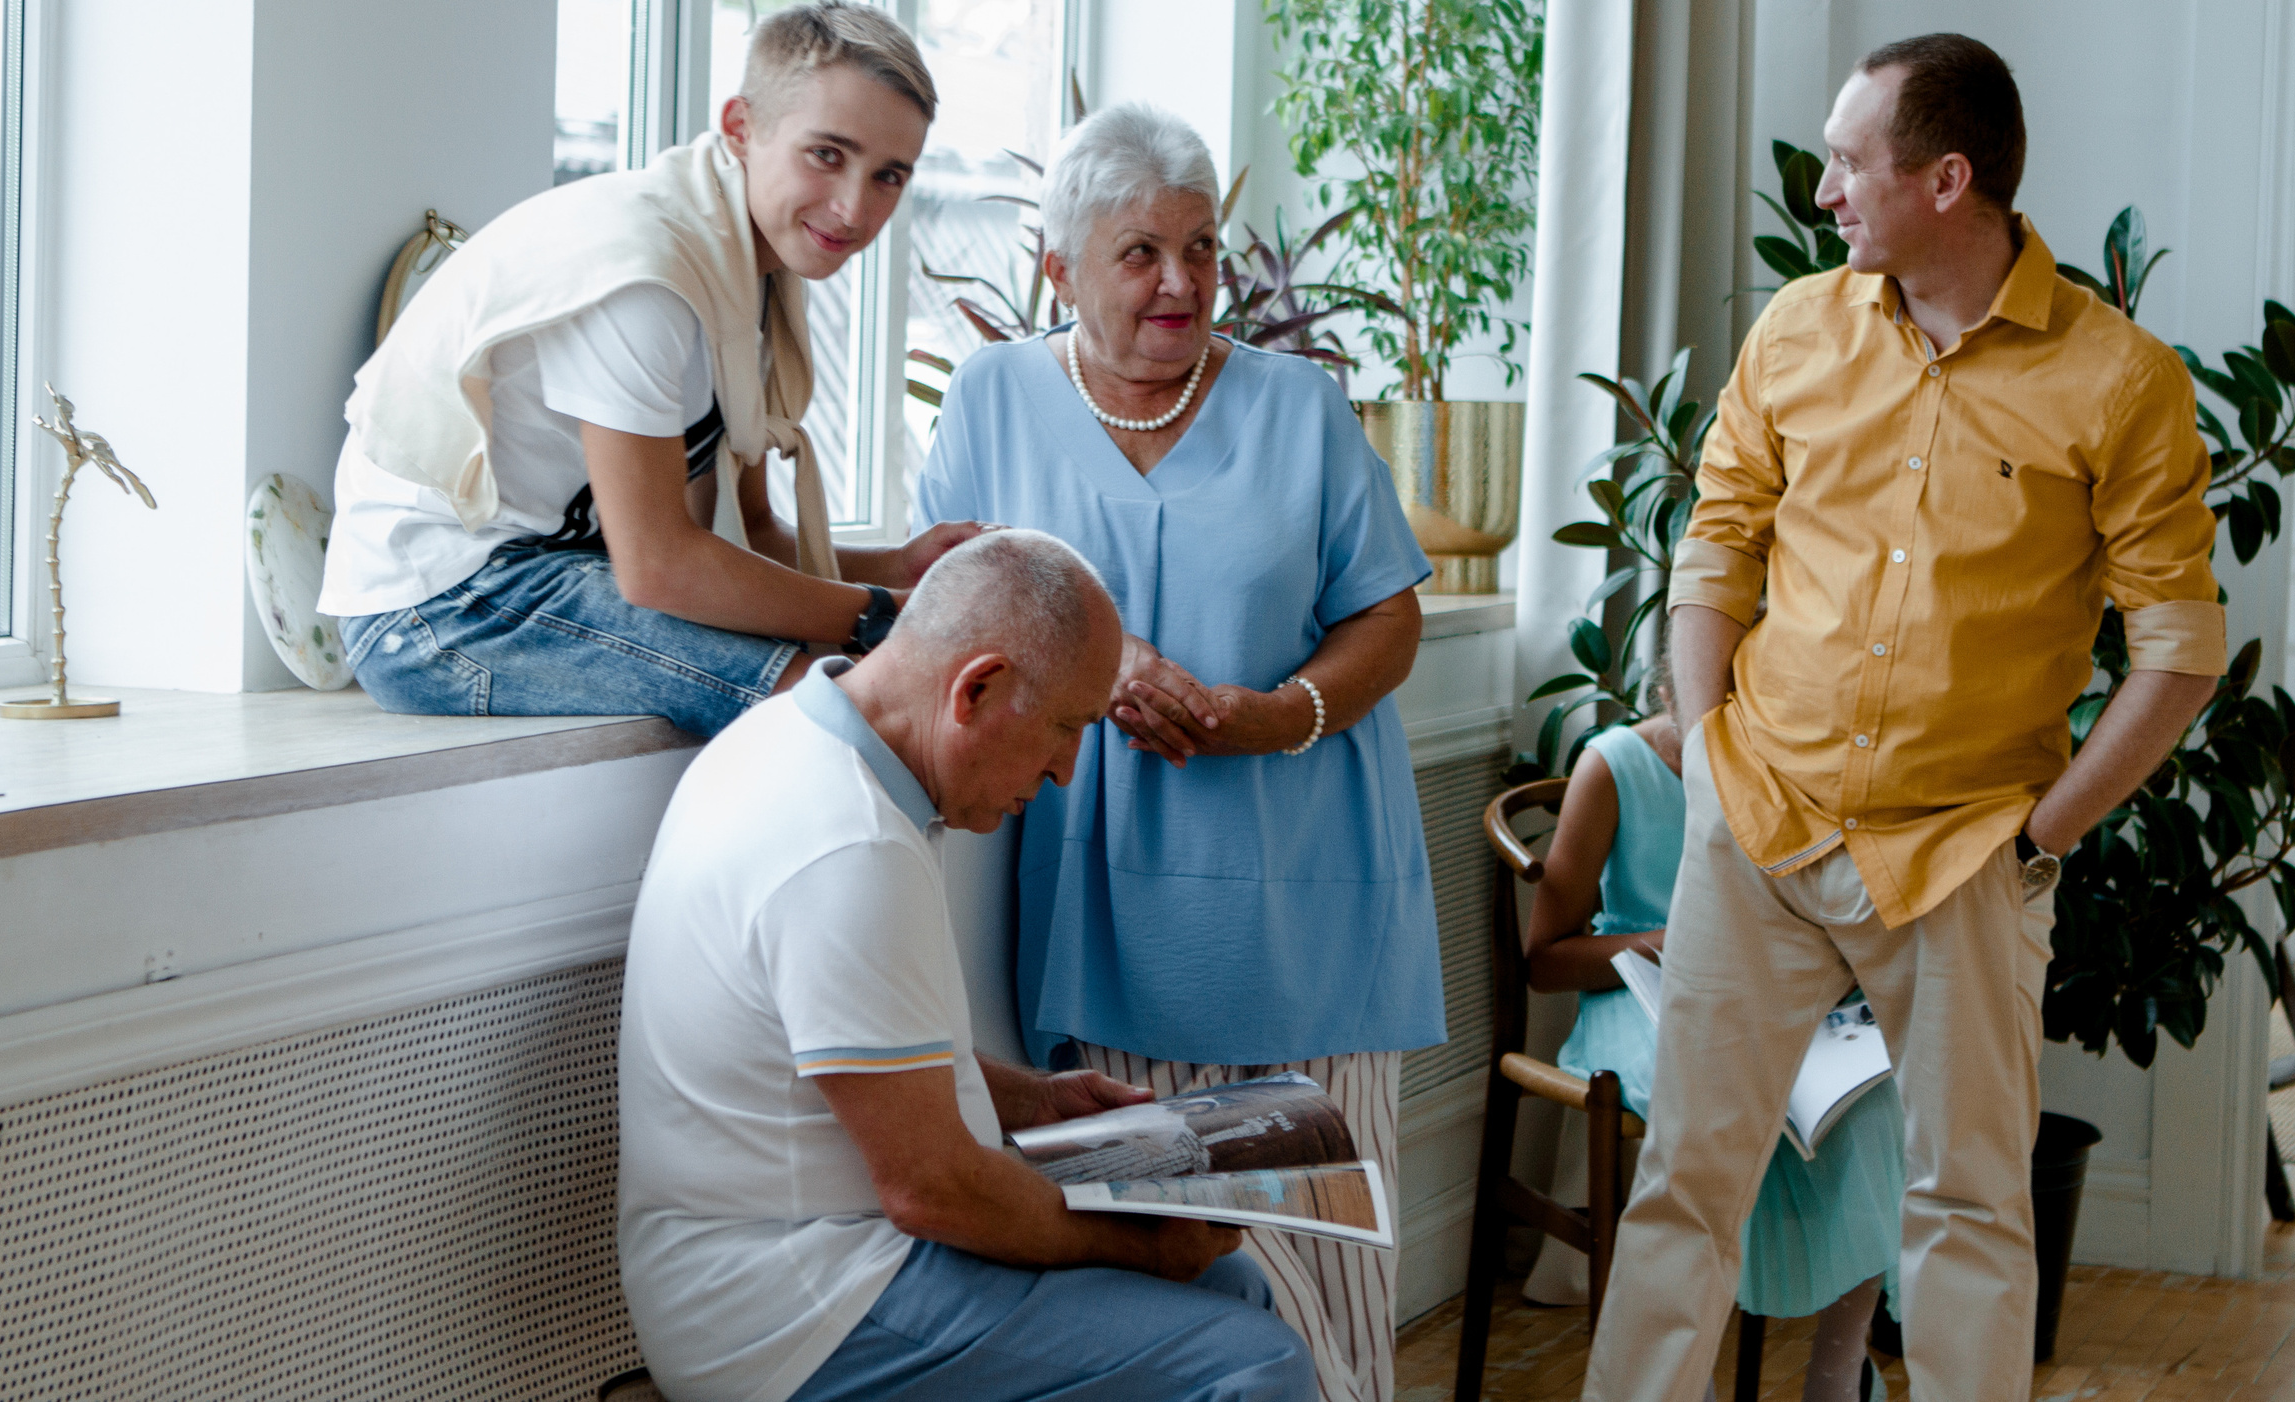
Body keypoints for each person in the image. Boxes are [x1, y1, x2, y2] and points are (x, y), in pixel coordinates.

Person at [1582, 34, 2225, 1402]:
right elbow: (1718, 546)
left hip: (1962, 855)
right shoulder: (1799, 329)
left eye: (1846, 161)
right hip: (1758, 823)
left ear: (1947, 179)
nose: (1824, 192)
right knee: (1684, 1185)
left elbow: (2178, 649)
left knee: (1971, 1207)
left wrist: (2040, 837)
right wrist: (1705, 759)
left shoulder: (2120, 381)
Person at [913, 103, 1442, 1402]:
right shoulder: (993, 397)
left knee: (1324, 1289)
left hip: (1304, 914)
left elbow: (1389, 610)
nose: (1182, 282)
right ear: (1058, 268)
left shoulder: (1298, 408)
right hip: (1105, 934)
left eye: (1201, 247)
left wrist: (1279, 714)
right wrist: (1100, 661)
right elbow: (940, 609)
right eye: (1141, 250)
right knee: (1163, 1286)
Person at [616, 527, 1314, 1402]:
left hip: (802, 1260)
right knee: (1250, 1360)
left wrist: (1032, 1098)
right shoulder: (845, 845)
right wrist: (1143, 1244)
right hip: (794, 1309)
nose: (1065, 769)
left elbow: (832, 1046)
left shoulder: (799, 744)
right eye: (1066, 728)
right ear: (976, 689)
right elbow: (933, 1191)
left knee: (1232, 1290)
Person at [320, 0, 987, 736]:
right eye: (827, 154)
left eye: (890, 175)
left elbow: (752, 534)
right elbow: (660, 566)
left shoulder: (747, 273)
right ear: (741, 129)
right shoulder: (648, 277)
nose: (855, 208)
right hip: (435, 611)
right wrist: (890, 618)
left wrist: (899, 564)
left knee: (858, 687)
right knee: (855, 705)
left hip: (548, 575)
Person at [1525, 679, 1898, 1402]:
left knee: (1878, 1107)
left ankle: (1837, 1373)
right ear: (1673, 680)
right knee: (1706, 1102)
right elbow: (1544, 960)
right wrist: (1670, 944)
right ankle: (1677, 1380)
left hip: (1772, 1003)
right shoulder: (1614, 766)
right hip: (1635, 1004)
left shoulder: (1805, 766)